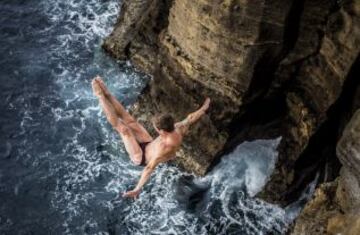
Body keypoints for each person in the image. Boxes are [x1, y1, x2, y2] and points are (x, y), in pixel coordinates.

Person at [92, 76, 211, 199]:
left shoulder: (165, 148)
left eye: (155, 128)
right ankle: (108, 94)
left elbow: (149, 168)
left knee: (123, 129)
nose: (154, 128)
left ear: (161, 131)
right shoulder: (177, 127)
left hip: (141, 157)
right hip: (149, 145)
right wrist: (203, 108)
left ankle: (100, 96)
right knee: (130, 120)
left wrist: (137, 189)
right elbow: (190, 118)